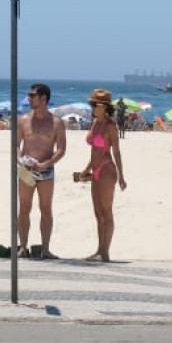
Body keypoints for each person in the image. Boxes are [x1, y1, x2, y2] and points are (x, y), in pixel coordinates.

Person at [15, 83, 68, 261]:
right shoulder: (23, 120)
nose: (29, 98)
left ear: (43, 98)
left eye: (32, 95)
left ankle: (45, 248)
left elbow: (61, 149)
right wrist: (20, 160)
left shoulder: (56, 123)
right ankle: (22, 247)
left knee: (45, 209)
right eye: (29, 95)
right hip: (26, 169)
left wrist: (47, 163)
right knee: (24, 208)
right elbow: (16, 145)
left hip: (46, 170)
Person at [74, 88, 125, 262]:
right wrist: (86, 169)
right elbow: (94, 151)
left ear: (104, 107)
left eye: (97, 104)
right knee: (98, 214)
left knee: (107, 212)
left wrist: (121, 175)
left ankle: (105, 252)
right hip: (95, 169)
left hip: (106, 169)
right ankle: (99, 249)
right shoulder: (95, 122)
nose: (94, 107)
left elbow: (116, 151)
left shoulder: (110, 126)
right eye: (93, 104)